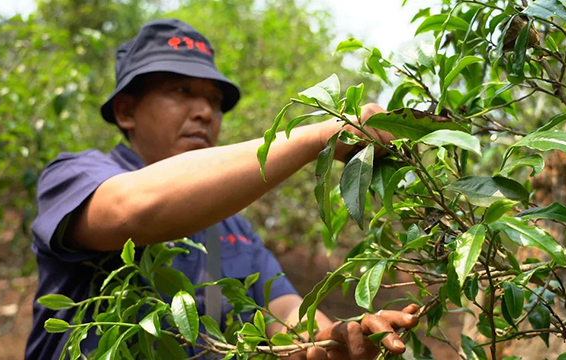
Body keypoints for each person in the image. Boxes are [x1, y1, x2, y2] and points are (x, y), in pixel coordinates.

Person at [25, 19, 419, 360]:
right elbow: (131, 209)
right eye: (181, 91)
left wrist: (338, 338)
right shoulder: (76, 176)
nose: (204, 111)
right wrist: (322, 135)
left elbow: (290, 317)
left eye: (214, 100)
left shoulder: (233, 230)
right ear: (127, 111)